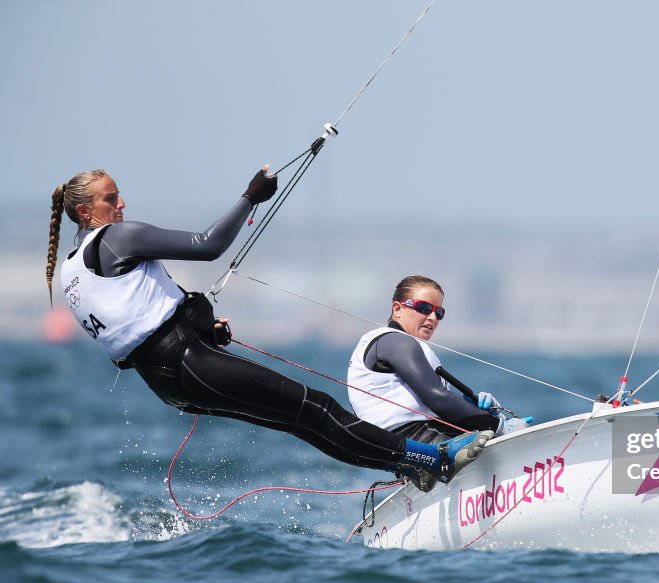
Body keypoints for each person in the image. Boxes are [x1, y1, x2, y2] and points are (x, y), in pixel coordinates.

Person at [47, 168, 490, 492]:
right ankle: (435, 457)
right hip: (188, 361)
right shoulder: (116, 239)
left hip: (166, 379)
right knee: (315, 408)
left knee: (304, 421)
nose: (121, 205)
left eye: (120, 195)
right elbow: (209, 245)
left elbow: (133, 321)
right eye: (111, 199)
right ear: (85, 212)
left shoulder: (70, 270)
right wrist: (250, 197)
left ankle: (417, 465)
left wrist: (200, 329)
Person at [348, 275, 531, 443]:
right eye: (424, 308)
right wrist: (500, 426)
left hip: (418, 442)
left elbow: (431, 403)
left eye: (439, 312)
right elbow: (438, 399)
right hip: (417, 438)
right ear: (397, 309)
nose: (433, 317)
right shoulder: (395, 341)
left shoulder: (399, 344)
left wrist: (477, 410)